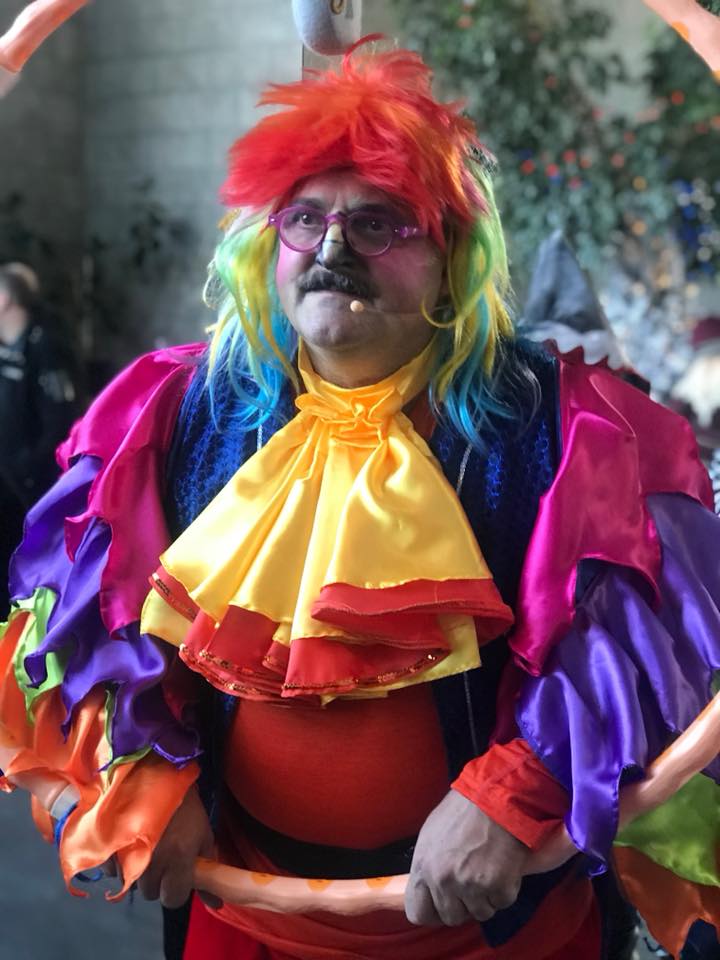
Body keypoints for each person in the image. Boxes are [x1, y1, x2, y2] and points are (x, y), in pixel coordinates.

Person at [1, 40, 719, 960]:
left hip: (497, 928)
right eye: (305, 219)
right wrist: (141, 762)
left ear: (451, 260)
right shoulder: (173, 410)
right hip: (245, 913)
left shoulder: (567, 422)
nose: (333, 248)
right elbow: (95, 611)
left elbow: (633, 635)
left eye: (379, 223)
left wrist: (518, 788)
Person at [0, 262, 79, 610]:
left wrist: (27, 468)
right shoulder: (6, 349)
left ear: (5, 299)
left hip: (31, 490)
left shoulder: (46, 346)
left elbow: (61, 421)